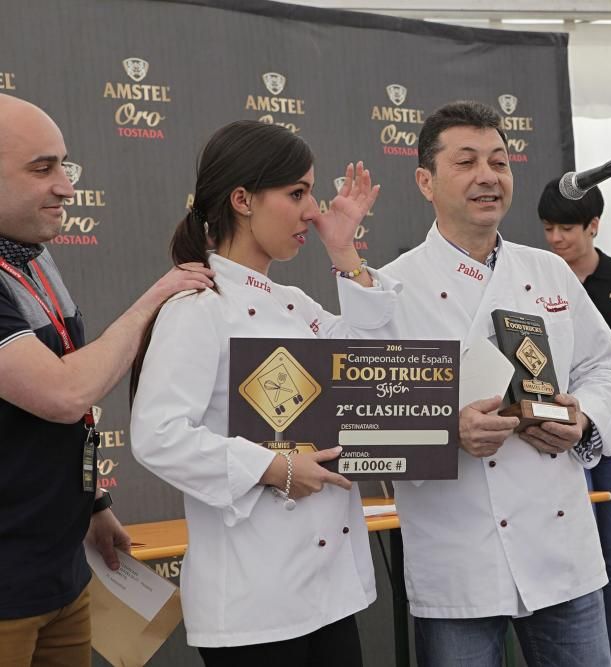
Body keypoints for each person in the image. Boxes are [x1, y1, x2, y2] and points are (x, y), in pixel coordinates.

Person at [333, 101, 611, 667]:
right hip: (458, 557)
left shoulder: (547, 271)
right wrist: (449, 429)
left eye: (499, 161)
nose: (488, 176)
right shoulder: (389, 290)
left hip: (559, 549)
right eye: (466, 162)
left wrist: (582, 418)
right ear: (425, 180)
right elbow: (360, 423)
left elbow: (604, 366)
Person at [128, 120, 379, 666]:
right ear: (242, 199)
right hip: (253, 604)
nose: (313, 210)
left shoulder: (296, 304)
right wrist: (276, 468)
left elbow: (378, 364)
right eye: (296, 193)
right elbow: (158, 436)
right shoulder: (198, 307)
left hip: (331, 590)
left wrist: (345, 254)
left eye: (310, 193)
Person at [0, 94, 214, 666]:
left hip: (61, 574)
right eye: (42, 168)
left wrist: (93, 504)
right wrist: (153, 300)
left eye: (63, 166)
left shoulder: (32, 255)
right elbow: (63, 393)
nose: (66, 187)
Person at [537, 178, 611, 667]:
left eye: (567, 227)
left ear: (594, 225)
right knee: (567, 560)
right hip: (552, 436)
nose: (556, 238)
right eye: (548, 228)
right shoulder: (537, 276)